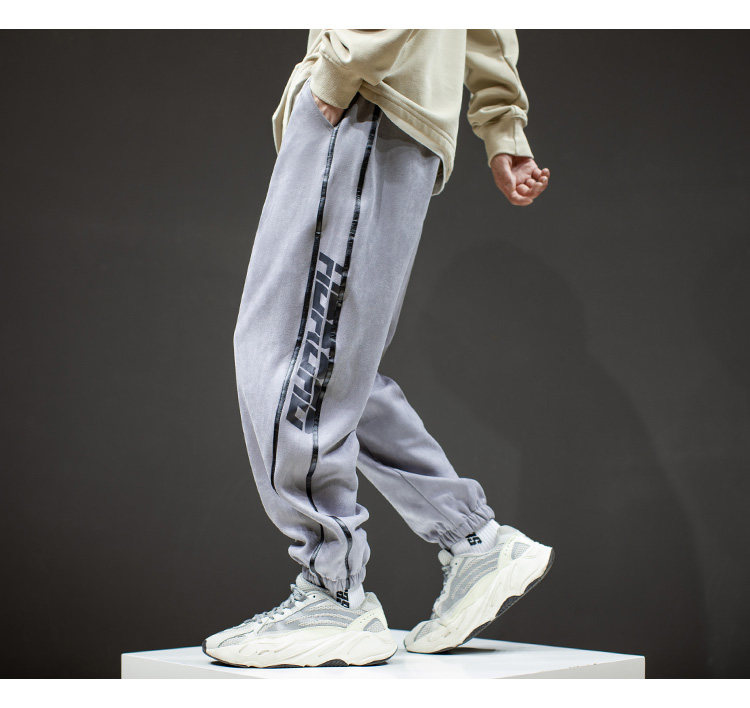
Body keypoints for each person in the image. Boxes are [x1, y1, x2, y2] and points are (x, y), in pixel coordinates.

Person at [203, 29, 553, 668]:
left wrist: (340, 71)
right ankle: (474, 541)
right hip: (377, 105)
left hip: (366, 100)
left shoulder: (353, 83)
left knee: (292, 354)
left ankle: (332, 591)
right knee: (335, 364)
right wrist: (504, 125)